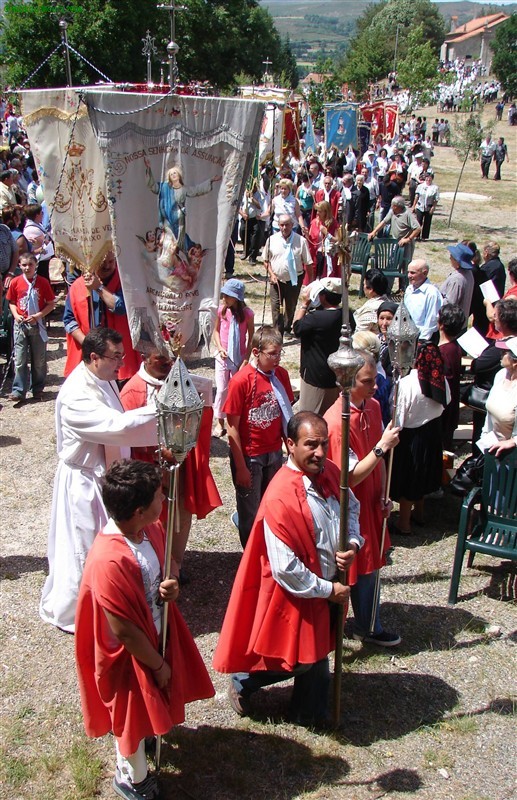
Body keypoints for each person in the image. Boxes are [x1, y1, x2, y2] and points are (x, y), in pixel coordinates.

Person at [75, 459, 214, 800]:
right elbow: (123, 631)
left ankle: (148, 738)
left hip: (153, 633)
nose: (164, 500)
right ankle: (131, 777)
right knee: (133, 713)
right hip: (130, 656)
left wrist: (170, 587)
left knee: (151, 705)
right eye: (158, 496)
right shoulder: (108, 559)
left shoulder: (148, 529)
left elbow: (160, 571)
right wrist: (157, 664)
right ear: (138, 510)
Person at [213, 411, 362, 727]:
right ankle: (244, 680)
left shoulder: (330, 473)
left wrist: (351, 542)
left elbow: (351, 510)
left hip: (327, 583)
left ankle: (309, 711)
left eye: (323, 444)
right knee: (296, 660)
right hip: (296, 590)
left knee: (319, 650)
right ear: (289, 445)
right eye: (311, 444)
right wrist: (327, 590)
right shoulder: (280, 496)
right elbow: (286, 568)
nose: (319, 452)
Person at [40, 328, 159, 633]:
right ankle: (84, 612)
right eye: (115, 356)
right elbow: (114, 426)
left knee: (105, 545)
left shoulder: (101, 378)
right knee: (85, 548)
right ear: (93, 357)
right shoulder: (75, 394)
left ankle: (114, 604)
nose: (122, 363)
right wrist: (160, 412)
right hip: (83, 481)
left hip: (102, 474)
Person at [120, 349, 222, 576]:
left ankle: (176, 562)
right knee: (153, 519)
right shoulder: (133, 391)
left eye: (171, 358)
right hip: (149, 470)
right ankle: (156, 567)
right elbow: (127, 435)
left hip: (180, 465)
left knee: (181, 516)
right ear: (145, 358)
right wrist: (157, 452)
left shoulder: (182, 381)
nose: (168, 363)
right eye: (161, 358)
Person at [325, 353, 401, 645]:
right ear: (347, 382)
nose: (374, 386)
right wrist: (382, 448)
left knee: (371, 563)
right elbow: (349, 478)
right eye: (367, 381)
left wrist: (384, 493)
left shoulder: (374, 406)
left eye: (374, 379)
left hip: (371, 502)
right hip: (350, 507)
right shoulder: (336, 421)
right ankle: (337, 632)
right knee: (351, 567)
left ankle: (369, 624)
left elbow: (377, 459)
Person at [224, 325, 294, 548]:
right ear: (256, 352)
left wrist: (289, 448)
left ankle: (269, 549)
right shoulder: (241, 381)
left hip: (273, 453)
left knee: (271, 504)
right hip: (250, 457)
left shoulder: (280, 375)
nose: (277, 359)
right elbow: (232, 428)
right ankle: (250, 554)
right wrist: (241, 467)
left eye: (279, 353)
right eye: (272, 354)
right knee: (250, 511)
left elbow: (286, 416)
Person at [389, 344, 449, 535]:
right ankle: (419, 514)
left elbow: (398, 415)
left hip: (411, 436)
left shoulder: (407, 384)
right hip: (432, 432)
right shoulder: (441, 380)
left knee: (410, 477)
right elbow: (445, 403)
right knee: (422, 475)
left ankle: (404, 523)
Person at [63, 249, 141, 380]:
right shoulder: (77, 286)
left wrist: (98, 287)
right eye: (103, 262)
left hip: (120, 354)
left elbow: (120, 307)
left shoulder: (125, 281)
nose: (107, 266)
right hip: (90, 354)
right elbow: (69, 320)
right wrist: (87, 343)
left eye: (111, 261)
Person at [6, 252, 55, 402]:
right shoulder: (15, 282)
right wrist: (16, 315)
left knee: (39, 359)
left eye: (30, 265)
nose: (27, 268)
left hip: (37, 324)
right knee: (20, 359)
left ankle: (37, 388)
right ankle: (18, 390)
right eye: (24, 265)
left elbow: (51, 303)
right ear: (20, 266)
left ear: (35, 265)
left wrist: (39, 315)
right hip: (20, 324)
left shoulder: (42, 282)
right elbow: (12, 302)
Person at [293, 278, 344, 415]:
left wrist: (304, 304)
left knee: (310, 415)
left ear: (323, 296)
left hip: (315, 376)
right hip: (337, 374)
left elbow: (297, 328)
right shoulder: (346, 315)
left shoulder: (316, 318)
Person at [212, 278, 254, 437]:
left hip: (239, 357)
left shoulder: (248, 314)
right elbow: (216, 332)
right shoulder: (221, 310)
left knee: (236, 391)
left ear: (237, 297)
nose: (224, 298)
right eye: (223, 295)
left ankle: (235, 422)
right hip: (222, 357)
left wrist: (246, 359)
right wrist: (220, 347)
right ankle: (220, 421)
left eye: (228, 296)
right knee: (222, 389)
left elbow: (251, 338)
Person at [263, 215, 313, 336]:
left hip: (294, 280)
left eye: (287, 224)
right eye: (281, 225)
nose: (284, 227)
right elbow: (265, 260)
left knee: (290, 306)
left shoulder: (301, 241)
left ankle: (286, 327)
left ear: (292, 225)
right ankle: (277, 332)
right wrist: (271, 274)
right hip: (277, 280)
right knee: (276, 307)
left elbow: (308, 263)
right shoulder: (271, 240)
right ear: (278, 225)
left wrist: (309, 283)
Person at [481, 337, 517, 454]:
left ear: (515, 361)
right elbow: (489, 414)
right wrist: (485, 437)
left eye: (504, 352)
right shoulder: (500, 375)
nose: (500, 354)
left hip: (511, 456)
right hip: (492, 447)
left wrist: (513, 441)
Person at [438, 304, 466, 451]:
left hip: (443, 413)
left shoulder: (442, 353)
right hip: (451, 409)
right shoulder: (455, 348)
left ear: (440, 324)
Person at [368, 196, 421, 266]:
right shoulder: (392, 212)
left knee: (405, 264)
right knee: (391, 262)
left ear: (397, 206)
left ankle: (403, 277)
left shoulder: (408, 214)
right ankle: (391, 276)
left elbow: (417, 228)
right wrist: (374, 232)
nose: (391, 206)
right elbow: (384, 222)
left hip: (406, 244)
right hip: (395, 241)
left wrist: (408, 239)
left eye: (392, 205)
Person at [471, 242, 506, 337]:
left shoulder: (488, 267)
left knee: (481, 333)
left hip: (486, 306)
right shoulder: (499, 265)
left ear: (486, 253)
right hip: (495, 303)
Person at [404, 259, 443, 342]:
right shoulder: (409, 289)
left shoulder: (432, 293)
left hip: (423, 339)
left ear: (424, 273)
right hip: (408, 336)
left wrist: (422, 341)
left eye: (413, 273)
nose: (409, 276)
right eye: (408, 272)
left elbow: (432, 321)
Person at [440, 243, 475, 322]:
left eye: (452, 256)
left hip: (453, 325)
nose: (450, 258)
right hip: (462, 322)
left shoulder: (457, 279)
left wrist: (435, 296)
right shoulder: (469, 273)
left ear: (458, 262)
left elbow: (450, 304)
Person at [306, 200, 339, 281]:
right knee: (314, 276)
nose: (317, 213)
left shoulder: (333, 223)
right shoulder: (314, 222)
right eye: (317, 210)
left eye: (320, 211)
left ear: (326, 212)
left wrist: (327, 234)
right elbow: (310, 240)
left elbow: (337, 240)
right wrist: (306, 234)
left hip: (327, 254)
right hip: (316, 254)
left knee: (323, 277)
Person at [485, 258, 517, 340]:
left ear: (511, 274)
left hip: (502, 335)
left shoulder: (512, 296)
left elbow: (493, 317)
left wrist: (487, 303)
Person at [412, 172, 439, 241]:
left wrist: (433, 207)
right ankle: (417, 235)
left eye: (430, 179)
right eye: (427, 179)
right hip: (420, 206)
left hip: (429, 207)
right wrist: (414, 206)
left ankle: (424, 236)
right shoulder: (420, 186)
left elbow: (436, 199)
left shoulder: (435, 188)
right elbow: (416, 196)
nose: (428, 180)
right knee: (418, 221)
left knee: (427, 222)